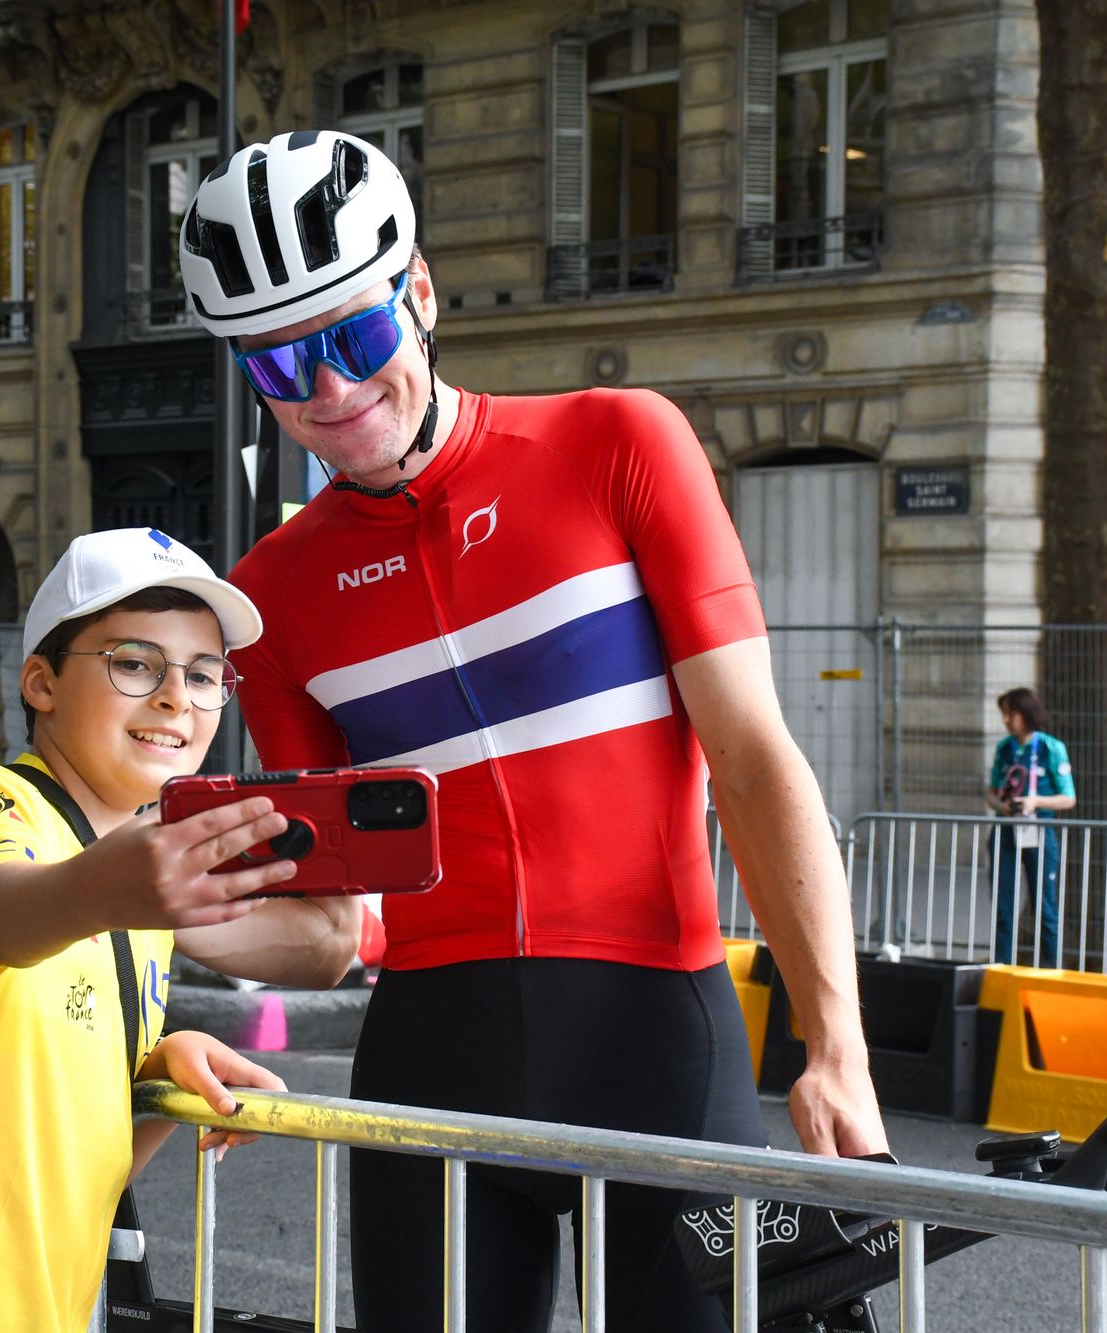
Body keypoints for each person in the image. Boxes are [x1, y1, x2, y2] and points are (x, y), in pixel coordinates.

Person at [180, 131, 886, 1331]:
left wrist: (838, 1045)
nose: (333, 395)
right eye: (280, 369)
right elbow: (334, 929)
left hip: (656, 1045)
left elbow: (754, 757)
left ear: (420, 293)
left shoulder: (617, 443)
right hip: (429, 1061)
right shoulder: (267, 597)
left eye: (352, 338)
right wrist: (166, 908)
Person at [0, 527, 360, 1331]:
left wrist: (155, 1084)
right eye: (134, 663)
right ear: (40, 682)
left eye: (204, 674)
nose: (176, 699)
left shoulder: (137, 885)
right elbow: (0, 914)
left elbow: (84, 1156)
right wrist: (107, 891)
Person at [984, 687, 1077, 966]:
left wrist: (1035, 801)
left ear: (1025, 714)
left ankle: (1050, 967)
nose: (1006, 720)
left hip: (1040, 830)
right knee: (1004, 904)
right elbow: (991, 791)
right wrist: (1003, 807)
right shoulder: (1005, 748)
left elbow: (1068, 798)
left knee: (1045, 905)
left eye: (1010, 714)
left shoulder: (1051, 747)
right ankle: (1002, 964)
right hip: (1006, 830)